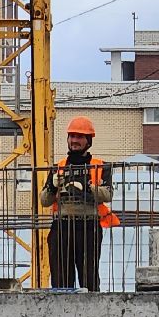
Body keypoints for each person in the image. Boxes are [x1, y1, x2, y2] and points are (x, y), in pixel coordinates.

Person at [39, 116, 118, 290]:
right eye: (72, 136)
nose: (74, 140)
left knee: (89, 279)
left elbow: (108, 194)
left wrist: (88, 188)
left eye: (80, 137)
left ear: (88, 141)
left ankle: (91, 306)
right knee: (61, 280)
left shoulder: (100, 167)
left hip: (88, 227)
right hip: (62, 228)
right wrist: (53, 186)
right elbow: (44, 200)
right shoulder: (58, 168)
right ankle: (62, 305)